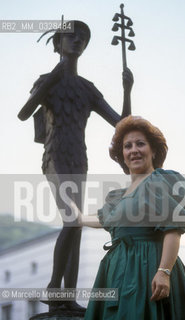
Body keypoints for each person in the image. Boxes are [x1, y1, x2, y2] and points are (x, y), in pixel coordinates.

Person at [18, 21, 133, 314]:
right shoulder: (47, 81)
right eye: (71, 36)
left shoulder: (86, 89)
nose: (78, 40)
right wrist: (54, 76)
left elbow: (122, 124)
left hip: (78, 158)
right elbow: (24, 113)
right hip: (55, 155)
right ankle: (54, 288)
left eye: (83, 37)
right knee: (72, 221)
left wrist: (127, 89)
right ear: (58, 44)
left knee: (77, 226)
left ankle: (67, 296)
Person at [79, 116, 185, 319]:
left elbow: (173, 229)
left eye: (140, 144)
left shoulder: (161, 180)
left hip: (149, 266)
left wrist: (164, 271)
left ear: (153, 150)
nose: (134, 150)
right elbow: (104, 219)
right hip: (116, 270)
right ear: (122, 155)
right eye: (127, 146)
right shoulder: (118, 196)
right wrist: (76, 216)